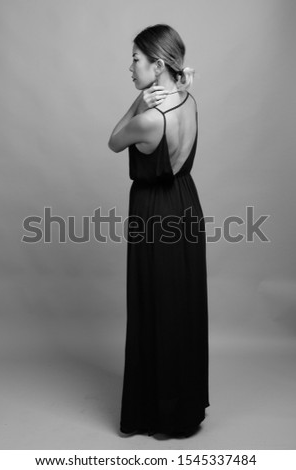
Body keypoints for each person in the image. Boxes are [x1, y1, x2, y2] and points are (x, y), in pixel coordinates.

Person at [108, 24, 210, 438]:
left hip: (154, 214)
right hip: (186, 206)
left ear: (158, 64)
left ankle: (154, 413)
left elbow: (114, 140)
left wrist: (138, 100)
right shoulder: (190, 101)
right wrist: (163, 87)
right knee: (181, 308)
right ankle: (182, 409)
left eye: (136, 59)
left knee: (154, 308)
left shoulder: (149, 120)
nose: (130, 67)